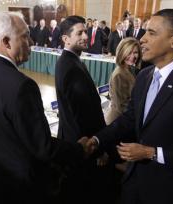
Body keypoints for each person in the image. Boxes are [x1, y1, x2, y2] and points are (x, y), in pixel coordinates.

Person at [87, 9, 173, 204]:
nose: (142, 39)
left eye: (152, 33)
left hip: (169, 189)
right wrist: (97, 139)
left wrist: (151, 153)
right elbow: (130, 118)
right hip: (134, 183)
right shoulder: (144, 76)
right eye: (145, 32)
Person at [0, 12, 89, 204]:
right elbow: (43, 148)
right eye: (25, 36)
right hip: (25, 187)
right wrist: (79, 149)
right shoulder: (22, 85)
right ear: (6, 42)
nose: (31, 41)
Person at [56, 15, 115, 204]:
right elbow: (82, 115)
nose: (85, 35)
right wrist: (98, 148)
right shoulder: (71, 66)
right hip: (84, 146)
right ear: (66, 39)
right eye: (79, 32)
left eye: (86, 31)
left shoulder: (71, 61)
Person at [105, 37, 141, 124]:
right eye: (129, 52)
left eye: (135, 52)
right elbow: (121, 106)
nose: (132, 56)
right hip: (118, 121)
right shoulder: (119, 74)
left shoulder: (130, 69)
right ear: (121, 53)